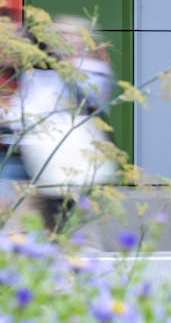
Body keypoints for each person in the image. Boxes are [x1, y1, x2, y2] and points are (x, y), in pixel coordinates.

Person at [8, 16, 118, 233]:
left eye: (72, 35)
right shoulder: (37, 73)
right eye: (60, 34)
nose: (66, 40)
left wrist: (68, 68)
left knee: (74, 228)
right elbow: (21, 110)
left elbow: (95, 96)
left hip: (71, 161)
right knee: (26, 224)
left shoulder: (94, 70)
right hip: (34, 161)